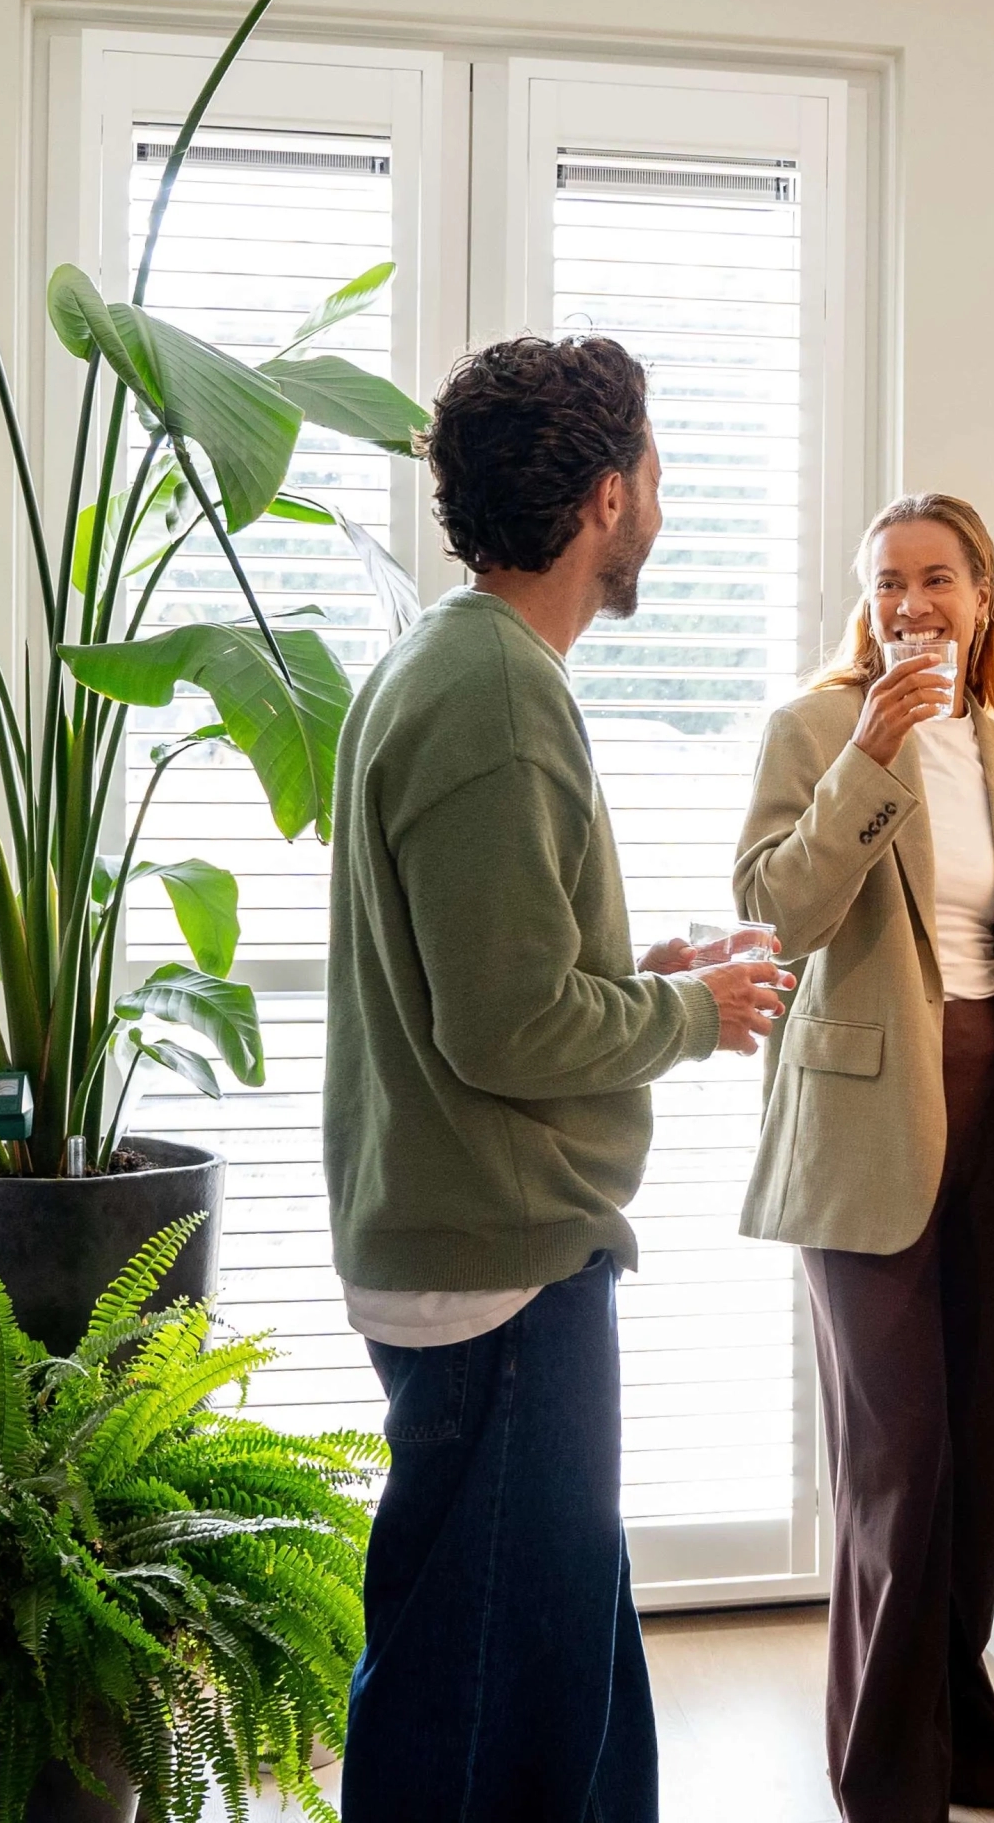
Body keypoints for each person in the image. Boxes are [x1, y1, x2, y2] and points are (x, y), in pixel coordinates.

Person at [323, 334, 789, 1821]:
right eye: (655, 470)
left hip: (487, 1246)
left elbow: (492, 971)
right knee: (485, 1709)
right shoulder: (498, 696)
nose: (663, 501)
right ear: (606, 499)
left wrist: (643, 973)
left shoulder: (454, 664)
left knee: (563, 1677)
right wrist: (690, 1016)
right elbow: (507, 1028)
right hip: (501, 1264)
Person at [732, 492, 994, 1821]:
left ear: (983, 598)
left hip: (987, 1125)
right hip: (860, 1127)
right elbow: (776, 913)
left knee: (975, 1457)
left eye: (935, 579)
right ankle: (884, 1776)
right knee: (899, 1463)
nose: (909, 605)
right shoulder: (817, 730)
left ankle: (957, 1724)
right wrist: (871, 752)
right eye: (886, 583)